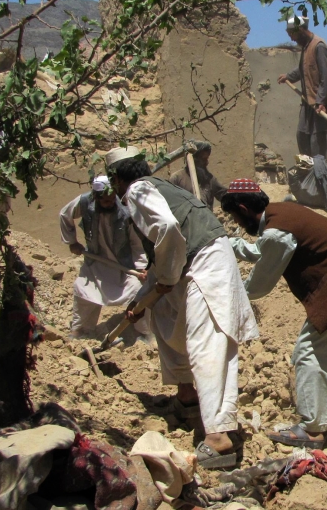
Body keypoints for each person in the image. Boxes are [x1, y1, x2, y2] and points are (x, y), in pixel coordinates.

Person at [105, 146, 259, 469]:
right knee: (163, 314)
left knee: (207, 344)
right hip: (192, 261)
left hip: (205, 261)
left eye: (114, 183)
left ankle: (219, 439)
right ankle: (187, 397)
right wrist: (144, 297)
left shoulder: (137, 191)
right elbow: (163, 254)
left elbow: (168, 231)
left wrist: (164, 280)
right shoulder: (157, 188)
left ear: (117, 179)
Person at [221, 179, 327, 449]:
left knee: (310, 352)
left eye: (237, 219)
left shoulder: (277, 232)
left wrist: (233, 295)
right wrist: (230, 244)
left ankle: (311, 430)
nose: (239, 225)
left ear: (242, 208)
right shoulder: (283, 213)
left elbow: (262, 280)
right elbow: (261, 250)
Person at [59, 175, 149, 339]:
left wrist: (142, 267)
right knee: (82, 289)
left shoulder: (125, 208)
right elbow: (65, 214)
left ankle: (144, 332)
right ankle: (81, 331)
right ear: (96, 196)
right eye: (105, 201)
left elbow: (137, 243)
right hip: (96, 260)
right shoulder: (85, 202)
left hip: (123, 264)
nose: (109, 203)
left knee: (138, 290)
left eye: (111, 199)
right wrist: (72, 242)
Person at [277, 15, 327, 162]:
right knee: (302, 135)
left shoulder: (319, 46)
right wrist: (288, 76)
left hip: (320, 104)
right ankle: (308, 173)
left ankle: (321, 176)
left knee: (318, 143)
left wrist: (321, 101)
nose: (292, 39)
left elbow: (326, 78)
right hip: (308, 103)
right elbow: (303, 68)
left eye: (292, 34)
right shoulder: (306, 48)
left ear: (300, 29)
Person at [168, 141, 227, 210]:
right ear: (194, 159)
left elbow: (224, 195)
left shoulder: (209, 179)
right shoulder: (177, 178)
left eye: (207, 159)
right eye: (204, 159)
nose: (207, 163)